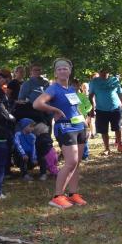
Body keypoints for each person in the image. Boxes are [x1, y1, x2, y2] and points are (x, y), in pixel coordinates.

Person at [33, 58, 89, 209]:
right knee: (71, 162)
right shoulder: (53, 88)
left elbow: (76, 109)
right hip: (65, 128)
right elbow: (37, 103)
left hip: (79, 127)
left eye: (65, 68)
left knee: (77, 163)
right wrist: (54, 110)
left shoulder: (71, 88)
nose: (62, 71)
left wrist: (86, 125)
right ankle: (57, 197)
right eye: (59, 69)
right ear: (55, 73)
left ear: (70, 71)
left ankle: (73, 194)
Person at [89, 69, 122, 155]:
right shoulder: (94, 82)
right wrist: (92, 109)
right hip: (101, 109)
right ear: (99, 72)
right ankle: (107, 149)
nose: (103, 73)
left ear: (108, 71)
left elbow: (120, 93)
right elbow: (90, 96)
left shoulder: (114, 80)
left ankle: (120, 145)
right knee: (104, 130)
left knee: (118, 128)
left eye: (105, 71)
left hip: (115, 108)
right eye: (101, 71)